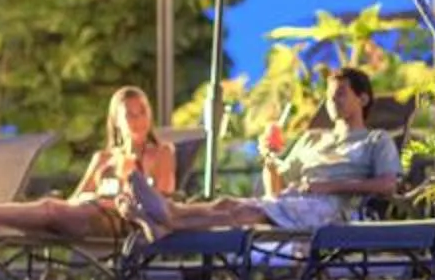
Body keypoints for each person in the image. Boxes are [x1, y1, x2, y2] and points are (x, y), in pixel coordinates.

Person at [131, 67, 401, 231]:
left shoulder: (375, 140)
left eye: (340, 93)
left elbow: (388, 185)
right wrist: (269, 160)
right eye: (329, 96)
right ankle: (168, 213)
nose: (332, 101)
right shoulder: (312, 139)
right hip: (297, 203)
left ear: (363, 98)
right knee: (228, 203)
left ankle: (168, 218)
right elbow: (275, 190)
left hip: (335, 210)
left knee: (245, 214)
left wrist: (327, 187)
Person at [0, 86, 177, 239]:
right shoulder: (104, 159)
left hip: (119, 224)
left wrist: (124, 190)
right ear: (117, 121)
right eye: (130, 115)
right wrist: (91, 198)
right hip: (86, 213)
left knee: (50, 209)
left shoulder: (161, 154)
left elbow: (163, 204)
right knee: (52, 214)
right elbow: (76, 198)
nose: (138, 120)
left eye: (142, 112)